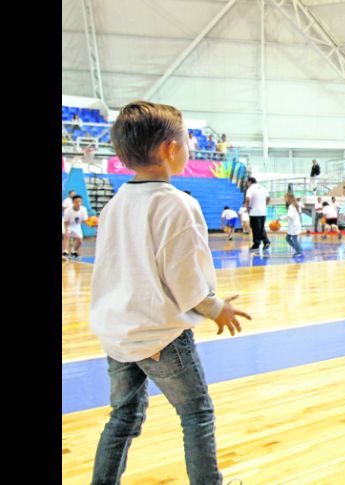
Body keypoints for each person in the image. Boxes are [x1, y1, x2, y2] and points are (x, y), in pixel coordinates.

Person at [88, 100, 252, 484]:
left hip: (118, 333)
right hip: (160, 335)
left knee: (122, 419)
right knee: (196, 414)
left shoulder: (114, 205)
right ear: (170, 149)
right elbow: (186, 281)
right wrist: (216, 308)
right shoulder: (177, 205)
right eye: (187, 141)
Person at [245, 177, 272, 251]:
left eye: (247, 183)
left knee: (256, 228)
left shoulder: (250, 189)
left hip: (254, 212)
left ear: (249, 182)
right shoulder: (263, 188)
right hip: (263, 212)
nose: (247, 184)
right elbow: (269, 198)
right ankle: (261, 243)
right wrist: (264, 205)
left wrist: (247, 207)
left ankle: (261, 243)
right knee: (260, 228)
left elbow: (247, 199)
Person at [62, 194, 87, 260]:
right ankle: (65, 251)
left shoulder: (83, 209)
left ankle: (74, 251)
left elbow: (84, 220)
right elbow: (65, 221)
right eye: (76, 201)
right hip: (68, 224)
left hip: (77, 225)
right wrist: (66, 230)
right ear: (73, 202)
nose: (78, 203)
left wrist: (91, 223)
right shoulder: (68, 210)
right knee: (66, 236)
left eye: (80, 201)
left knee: (80, 240)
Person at [281, 193, 304, 258]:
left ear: (289, 198)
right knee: (288, 238)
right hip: (293, 226)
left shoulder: (291, 206)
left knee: (294, 238)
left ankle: (299, 251)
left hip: (294, 226)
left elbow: (290, 216)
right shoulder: (292, 205)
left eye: (285, 198)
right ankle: (298, 250)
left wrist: (280, 218)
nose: (284, 199)